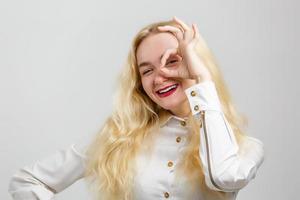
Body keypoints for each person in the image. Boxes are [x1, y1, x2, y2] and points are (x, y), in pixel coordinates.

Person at [8, 17, 264, 200]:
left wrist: (202, 81)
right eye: (147, 70)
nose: (160, 77)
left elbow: (224, 178)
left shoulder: (245, 147)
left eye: (173, 61)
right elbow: (29, 180)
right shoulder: (119, 137)